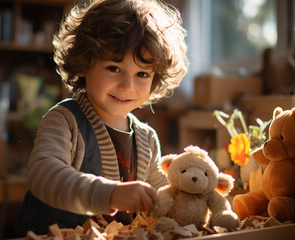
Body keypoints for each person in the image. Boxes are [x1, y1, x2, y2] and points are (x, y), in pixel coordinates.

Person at [15, 0, 188, 236]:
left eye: (141, 74)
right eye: (114, 68)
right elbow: (43, 174)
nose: (127, 86)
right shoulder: (64, 120)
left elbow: (161, 199)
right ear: (84, 64)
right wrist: (111, 193)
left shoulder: (147, 139)